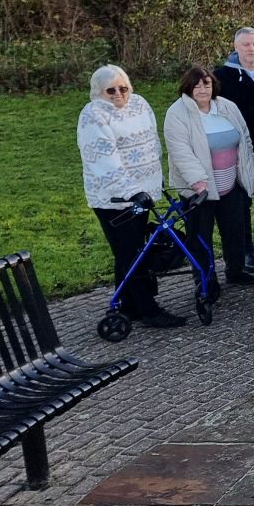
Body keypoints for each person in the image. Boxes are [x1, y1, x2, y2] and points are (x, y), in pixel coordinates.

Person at [78, 65, 186, 329]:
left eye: (123, 88)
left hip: (143, 196)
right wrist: (130, 191)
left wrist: (153, 183)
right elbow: (104, 160)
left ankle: (128, 305)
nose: (118, 94)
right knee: (130, 252)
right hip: (115, 200)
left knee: (132, 250)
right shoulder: (93, 115)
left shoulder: (139, 105)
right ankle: (148, 309)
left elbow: (152, 145)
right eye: (111, 90)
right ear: (98, 92)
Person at [163, 66, 254, 291]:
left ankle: (235, 271)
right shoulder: (177, 113)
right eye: (196, 85)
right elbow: (180, 151)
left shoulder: (227, 107)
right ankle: (205, 280)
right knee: (200, 237)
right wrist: (199, 182)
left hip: (231, 184)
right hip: (200, 190)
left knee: (235, 230)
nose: (202, 89)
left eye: (206, 84)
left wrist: (250, 167)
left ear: (213, 85)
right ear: (187, 87)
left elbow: (244, 138)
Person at [213, 26, 254, 274]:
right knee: (242, 200)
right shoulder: (221, 76)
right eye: (246, 44)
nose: (251, 49)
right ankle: (246, 252)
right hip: (238, 145)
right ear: (236, 47)